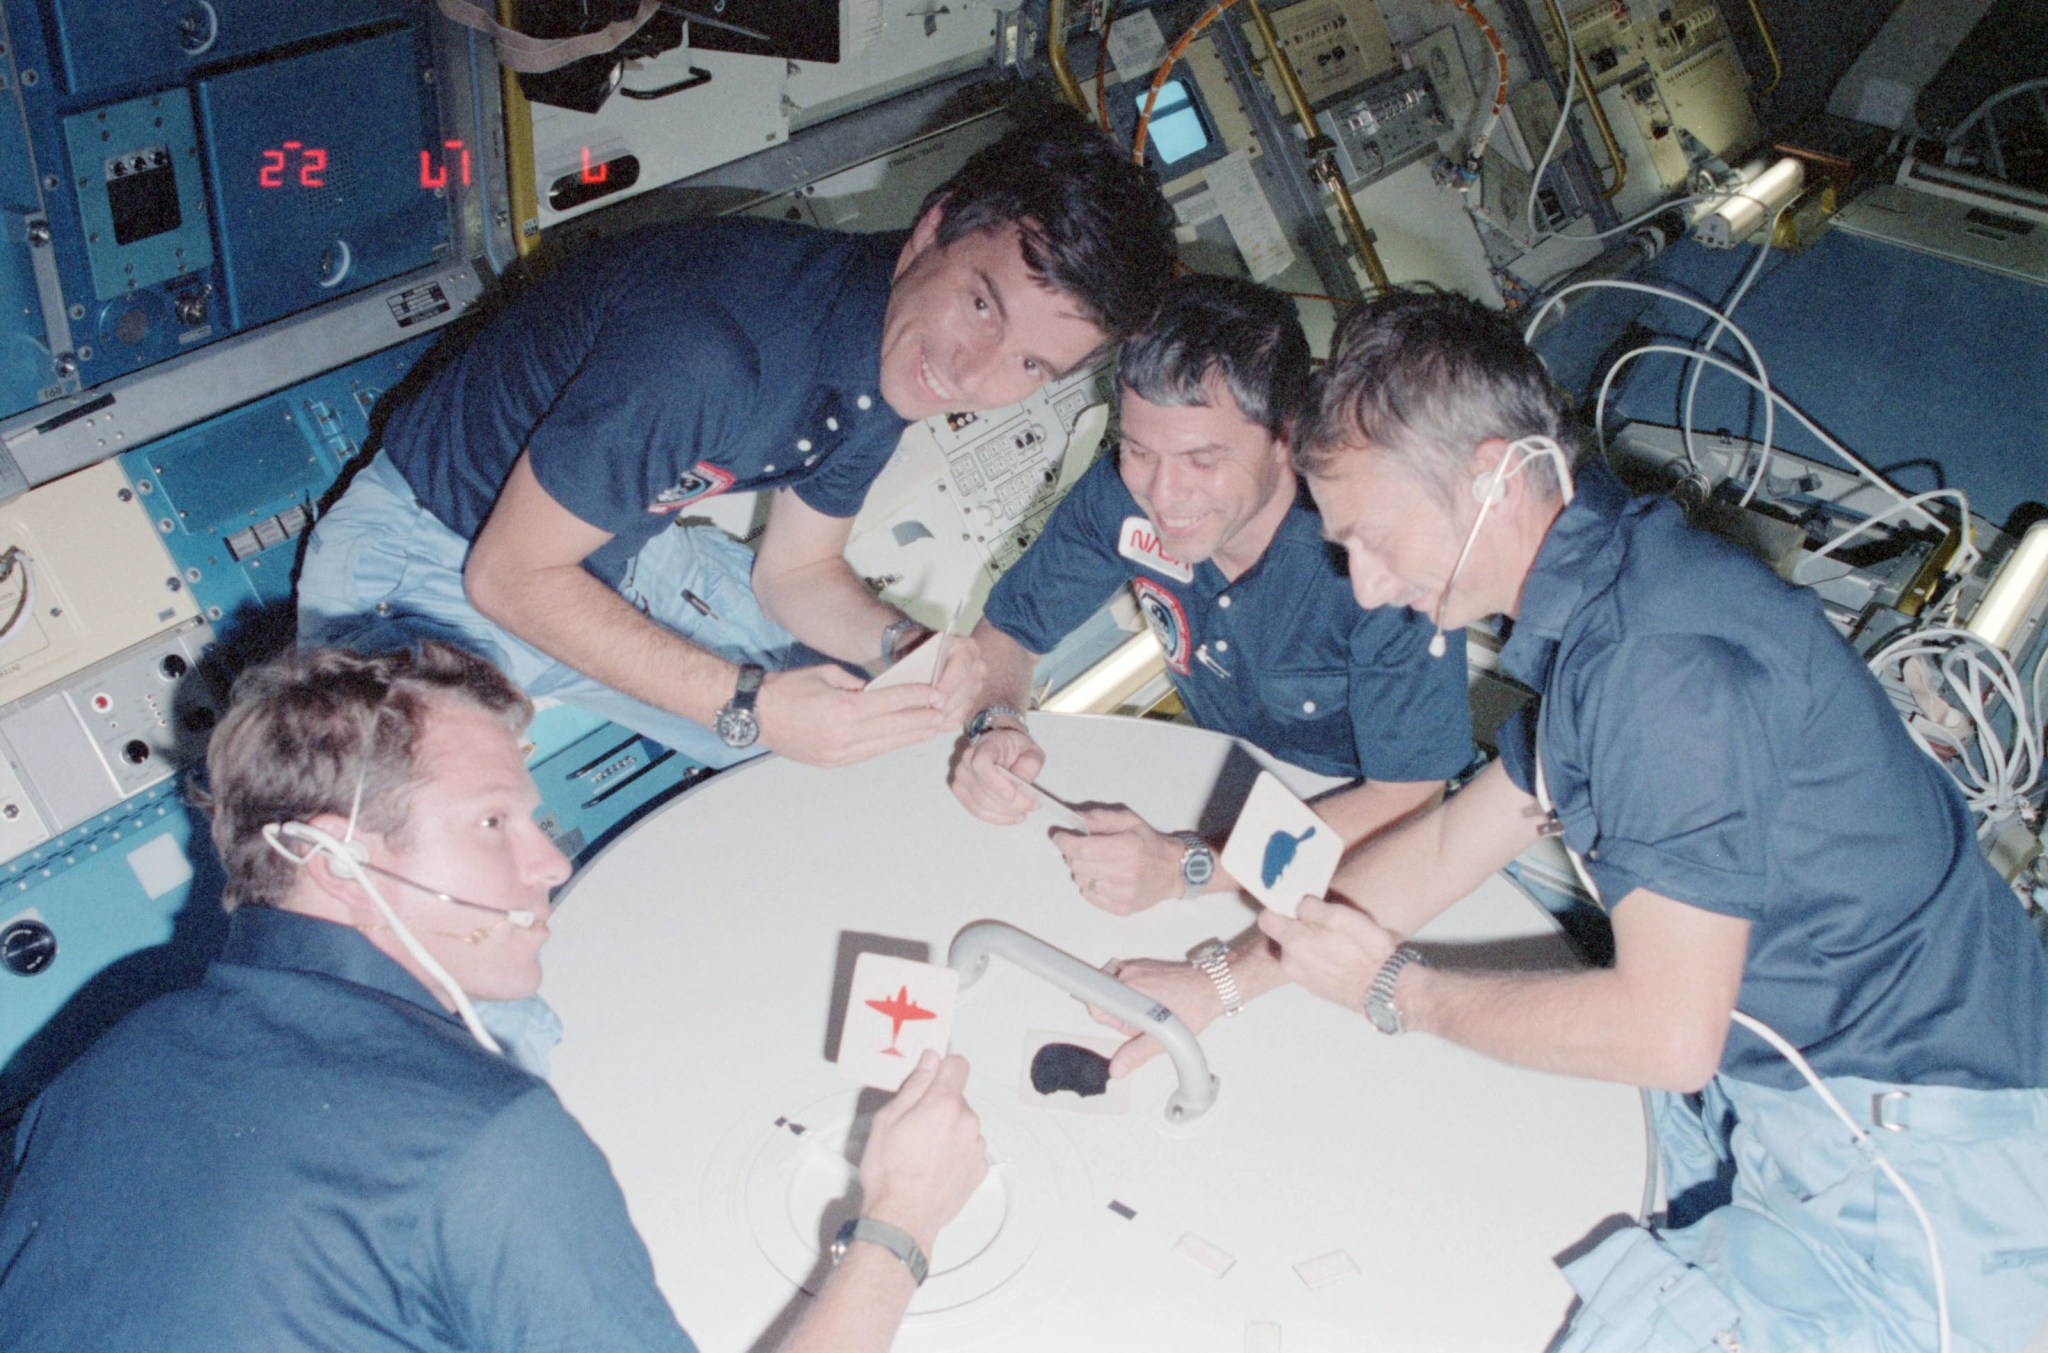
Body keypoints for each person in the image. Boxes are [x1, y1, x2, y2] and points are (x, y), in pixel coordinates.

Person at [1103, 287, 2048, 1352]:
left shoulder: (1658, 673)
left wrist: (1391, 990)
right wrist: (1226, 979)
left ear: (1493, 475)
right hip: (1799, 1091)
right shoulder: (1611, 589)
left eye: (1370, 539)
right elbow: (1458, 841)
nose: (1363, 589)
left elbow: (1665, 1034)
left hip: (1927, 1165)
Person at [0, 644, 989, 1353]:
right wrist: (898, 1224)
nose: (549, 862)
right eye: (490, 823)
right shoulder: (487, 1141)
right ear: (328, 854)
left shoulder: (117, 1049)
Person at [297, 97, 1175, 772]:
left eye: (1029, 366)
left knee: (879, 723)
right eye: (983, 303)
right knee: (426, 836)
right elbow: (507, 576)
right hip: (429, 566)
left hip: (605, 549)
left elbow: (796, 571)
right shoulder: (714, 354)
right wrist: (748, 704)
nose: (976, 373)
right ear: (932, 230)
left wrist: (906, 647)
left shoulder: (891, 345)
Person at [950, 274, 1471, 916]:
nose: (1164, 496)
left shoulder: (1376, 558)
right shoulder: (1121, 497)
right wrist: (995, 721)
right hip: (1223, 791)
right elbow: (1009, 630)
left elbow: (1410, 799)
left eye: (1203, 461)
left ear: (1287, 436)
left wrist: (1190, 867)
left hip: (1356, 838)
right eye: (1141, 451)